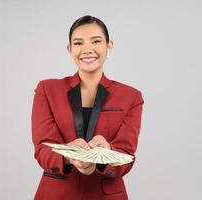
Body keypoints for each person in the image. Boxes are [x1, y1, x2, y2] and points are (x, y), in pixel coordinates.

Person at [31, 15, 144, 200]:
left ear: (109, 46)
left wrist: (106, 151)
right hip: (56, 194)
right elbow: (42, 149)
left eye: (96, 41)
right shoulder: (47, 90)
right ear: (69, 49)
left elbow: (126, 157)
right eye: (78, 43)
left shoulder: (131, 97)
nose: (87, 49)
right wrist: (68, 156)